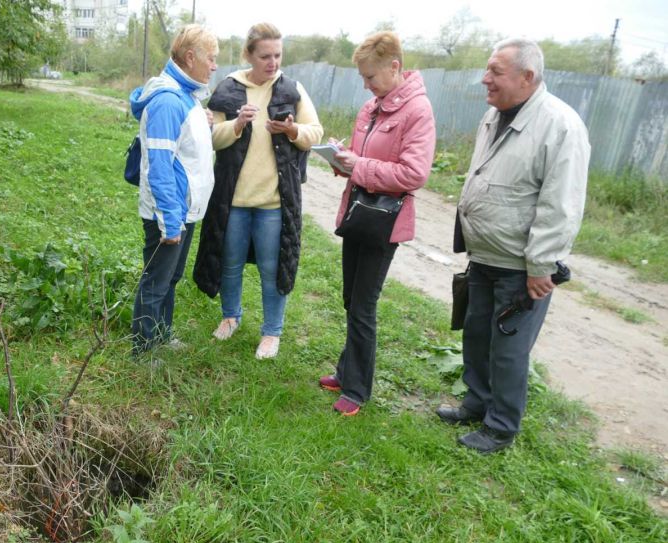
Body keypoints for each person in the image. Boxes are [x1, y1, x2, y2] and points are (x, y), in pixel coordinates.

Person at [436, 39, 590, 453]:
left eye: (495, 71)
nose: (485, 79)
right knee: (476, 334)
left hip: (522, 264)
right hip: (486, 252)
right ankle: (477, 401)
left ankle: (501, 426)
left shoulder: (561, 126)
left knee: (508, 346)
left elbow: (561, 203)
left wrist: (542, 264)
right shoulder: (496, 114)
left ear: (527, 77)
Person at [318, 32, 436, 415]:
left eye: (371, 76)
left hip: (383, 221)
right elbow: (361, 160)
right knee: (350, 298)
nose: (366, 85)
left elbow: (414, 174)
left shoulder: (418, 111)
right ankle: (346, 369)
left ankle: (356, 390)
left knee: (364, 304)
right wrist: (342, 160)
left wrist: (362, 166)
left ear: (395, 67)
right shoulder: (370, 108)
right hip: (357, 213)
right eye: (363, 78)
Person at [193, 23, 323, 359]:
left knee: (272, 267)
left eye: (278, 55)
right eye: (265, 55)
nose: (273, 62)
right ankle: (230, 316)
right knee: (230, 263)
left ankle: (271, 333)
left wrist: (293, 129)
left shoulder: (292, 89)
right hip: (233, 199)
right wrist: (236, 125)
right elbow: (210, 137)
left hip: (274, 203)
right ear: (249, 54)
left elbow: (315, 133)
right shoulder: (229, 87)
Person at [129, 25, 219, 356]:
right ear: (191, 57)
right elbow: (159, 165)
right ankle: (143, 350)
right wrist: (169, 218)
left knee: (171, 278)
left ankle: (162, 336)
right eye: (211, 59)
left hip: (185, 209)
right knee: (155, 282)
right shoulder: (168, 100)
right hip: (169, 212)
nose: (214, 66)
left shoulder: (187, 97)